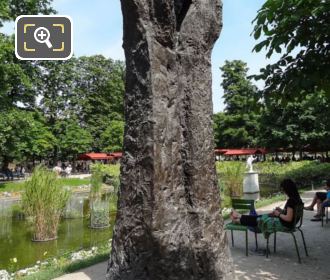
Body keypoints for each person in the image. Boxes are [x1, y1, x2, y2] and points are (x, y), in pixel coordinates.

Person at [230, 179, 303, 237]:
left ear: (288, 190)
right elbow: (291, 214)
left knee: (259, 220)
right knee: (262, 216)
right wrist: (280, 211)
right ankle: (239, 217)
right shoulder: (298, 199)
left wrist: (278, 214)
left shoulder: (291, 201)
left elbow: (288, 218)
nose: (284, 192)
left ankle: (238, 219)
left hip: (285, 225)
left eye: (284, 190)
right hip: (290, 224)